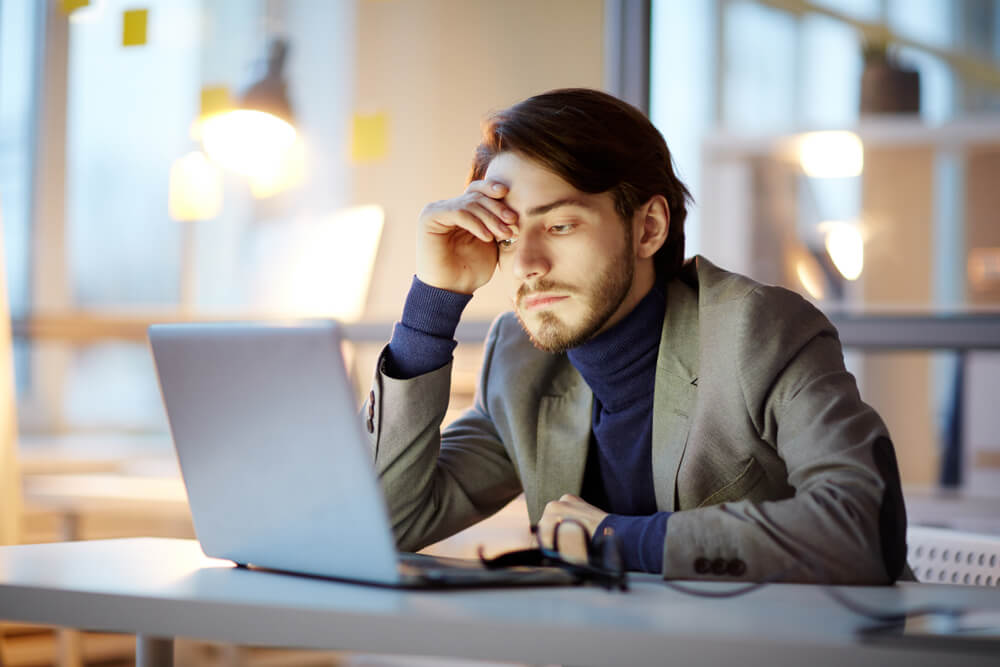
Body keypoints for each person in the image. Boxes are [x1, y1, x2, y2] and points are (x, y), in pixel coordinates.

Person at [362, 88, 908, 583]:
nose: (526, 263)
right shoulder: (522, 361)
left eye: (559, 226)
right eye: (507, 235)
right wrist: (434, 303)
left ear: (648, 228)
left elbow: (862, 528)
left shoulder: (757, 330)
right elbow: (388, 523)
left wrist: (616, 540)